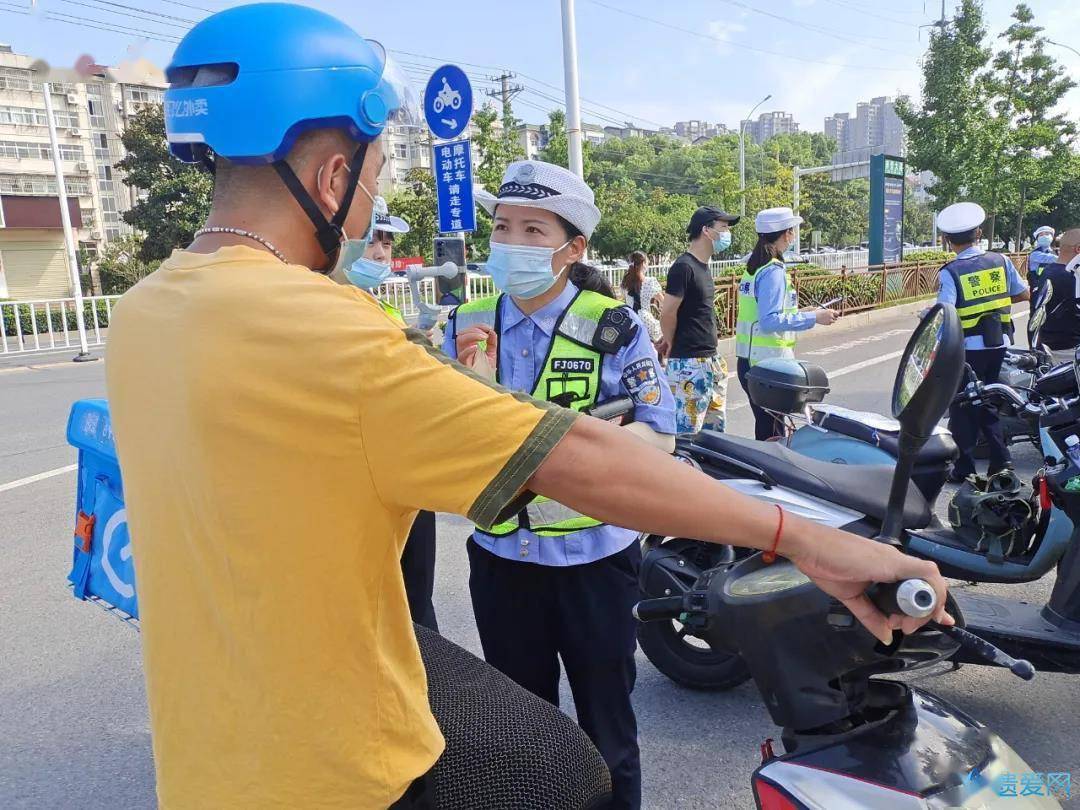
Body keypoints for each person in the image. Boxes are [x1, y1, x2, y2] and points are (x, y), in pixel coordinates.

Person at [103, 5, 954, 808]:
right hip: (337, 768)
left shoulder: (143, 314)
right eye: (375, 175)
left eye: (531, 229)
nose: (374, 201)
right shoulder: (336, 333)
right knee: (560, 772)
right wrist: (810, 542)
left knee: (588, 736)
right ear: (332, 177)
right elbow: (579, 458)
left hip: (209, 763)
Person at [442, 160, 675, 810]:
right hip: (500, 566)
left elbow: (660, 432)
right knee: (522, 741)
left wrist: (586, 451)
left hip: (595, 567)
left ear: (572, 249)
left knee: (608, 736)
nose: (511, 243)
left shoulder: (614, 328)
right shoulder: (464, 320)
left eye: (532, 230)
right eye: (503, 227)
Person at [330, 196, 440, 631]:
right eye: (372, 239)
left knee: (416, 604)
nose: (380, 252)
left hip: (408, 478)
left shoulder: (380, 308)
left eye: (388, 244)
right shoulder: (318, 310)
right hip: (358, 485)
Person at [935, 202, 1030, 483]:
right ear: (978, 233)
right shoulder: (1000, 261)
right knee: (988, 400)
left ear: (947, 240)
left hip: (967, 350)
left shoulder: (950, 272)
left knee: (963, 405)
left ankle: (964, 468)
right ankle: (1002, 463)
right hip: (998, 344)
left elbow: (946, 313)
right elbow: (1023, 294)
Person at [735, 207, 837, 440]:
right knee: (773, 433)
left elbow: (766, 314)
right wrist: (814, 318)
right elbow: (770, 321)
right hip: (768, 363)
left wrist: (805, 312)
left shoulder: (755, 267)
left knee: (767, 426)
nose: (793, 236)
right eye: (791, 231)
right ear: (784, 234)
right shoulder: (773, 271)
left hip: (751, 362)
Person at [660, 206, 739, 435]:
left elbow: (690, 312)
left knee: (713, 434)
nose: (726, 233)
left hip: (710, 360)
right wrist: (670, 342)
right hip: (689, 364)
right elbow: (667, 312)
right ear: (706, 230)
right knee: (686, 434)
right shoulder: (684, 267)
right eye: (723, 227)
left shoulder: (703, 267)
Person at [1034, 228, 1080, 364]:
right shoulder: (1073, 276)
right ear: (1078, 249)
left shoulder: (1047, 272)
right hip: (1071, 351)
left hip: (1047, 347)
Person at [620, 250, 663, 345]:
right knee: (660, 342)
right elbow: (663, 302)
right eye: (647, 262)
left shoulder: (625, 282)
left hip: (629, 319)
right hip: (645, 319)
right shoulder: (650, 282)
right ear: (643, 263)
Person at [1027, 225, 1058, 303]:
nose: (1044, 236)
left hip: (1054, 289)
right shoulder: (1035, 254)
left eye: (1047, 234)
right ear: (1037, 238)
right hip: (1038, 291)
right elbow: (1051, 258)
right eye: (1041, 235)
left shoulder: (1054, 252)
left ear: (1052, 237)